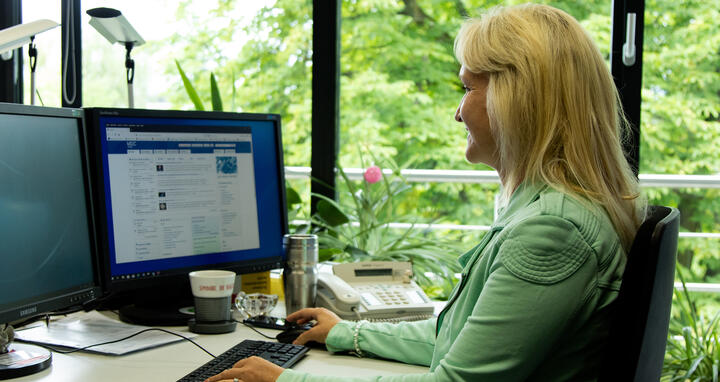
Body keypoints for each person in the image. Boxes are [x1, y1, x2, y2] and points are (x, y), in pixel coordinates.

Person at [206, 3, 645, 382]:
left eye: (467, 88)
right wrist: (343, 332)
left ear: (516, 99)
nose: (458, 113)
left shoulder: (553, 230)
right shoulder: (550, 205)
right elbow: (456, 337)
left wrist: (284, 380)